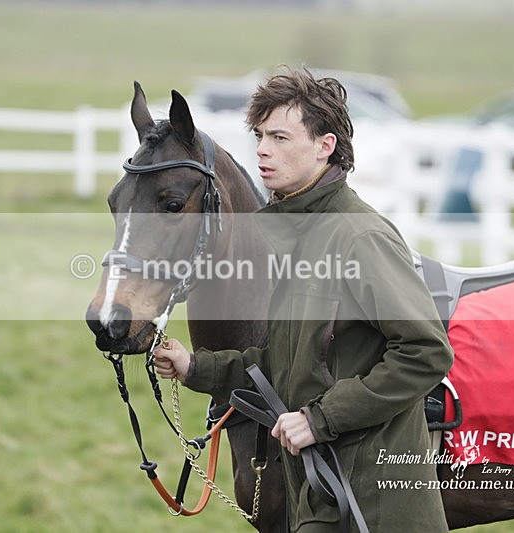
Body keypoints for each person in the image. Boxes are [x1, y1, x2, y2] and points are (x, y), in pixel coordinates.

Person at [153, 67, 453, 532]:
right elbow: (286, 361)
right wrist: (197, 367)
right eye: (259, 136)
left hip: (373, 504)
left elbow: (426, 352)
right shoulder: (298, 238)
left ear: (324, 146)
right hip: (322, 494)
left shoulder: (360, 236)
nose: (262, 150)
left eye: (279, 137)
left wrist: (320, 419)